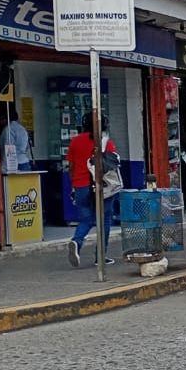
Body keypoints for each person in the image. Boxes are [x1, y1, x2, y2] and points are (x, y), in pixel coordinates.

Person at [66, 112, 118, 268]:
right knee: (105, 220)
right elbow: (112, 166)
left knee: (86, 219)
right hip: (102, 186)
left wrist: (74, 184)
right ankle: (100, 256)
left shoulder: (75, 142)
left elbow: (71, 167)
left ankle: (77, 241)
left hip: (81, 186)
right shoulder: (106, 143)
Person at [1, 105, 32, 172]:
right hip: (25, 162)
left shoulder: (8, 129)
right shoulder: (23, 129)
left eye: (1, 118)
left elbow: (8, 149)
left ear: (5, 118)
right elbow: (27, 146)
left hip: (13, 164)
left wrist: (3, 168)